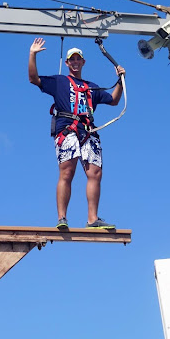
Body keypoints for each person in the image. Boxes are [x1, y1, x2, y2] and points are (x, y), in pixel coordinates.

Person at [28, 37, 125, 230]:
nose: (74, 62)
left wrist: (120, 80)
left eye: (77, 59)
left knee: (95, 173)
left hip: (87, 131)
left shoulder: (92, 87)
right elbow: (34, 79)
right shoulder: (59, 81)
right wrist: (32, 55)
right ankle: (62, 217)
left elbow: (114, 100)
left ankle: (92, 219)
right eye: (71, 59)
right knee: (67, 171)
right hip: (67, 129)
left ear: (82, 62)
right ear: (66, 63)